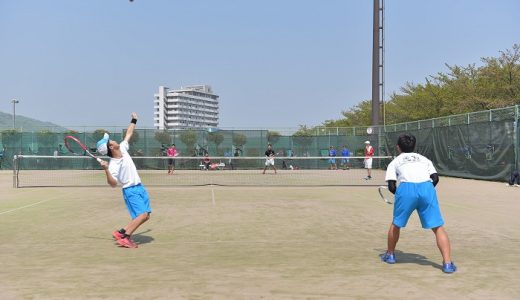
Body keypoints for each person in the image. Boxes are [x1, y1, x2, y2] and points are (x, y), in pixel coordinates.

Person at [381, 133, 456, 274]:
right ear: (414, 146)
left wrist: (402, 195)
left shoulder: (395, 162)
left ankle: (390, 255)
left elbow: (391, 186)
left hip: (406, 190)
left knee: (396, 224)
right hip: (427, 188)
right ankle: (447, 263)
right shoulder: (424, 159)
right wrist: (425, 191)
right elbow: (435, 178)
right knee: (438, 227)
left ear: (398, 147)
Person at [97, 112, 151, 249]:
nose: (114, 140)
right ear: (110, 147)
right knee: (142, 214)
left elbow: (129, 134)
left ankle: (120, 233)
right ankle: (125, 238)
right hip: (130, 190)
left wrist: (134, 120)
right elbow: (113, 184)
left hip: (139, 187)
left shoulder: (122, 147)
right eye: (110, 140)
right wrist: (106, 169)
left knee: (146, 215)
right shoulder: (114, 164)